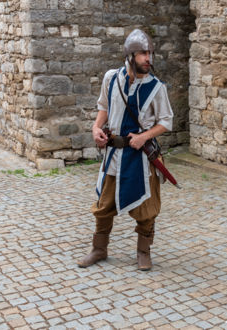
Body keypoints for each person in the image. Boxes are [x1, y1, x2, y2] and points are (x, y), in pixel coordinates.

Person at [78, 29, 173, 271]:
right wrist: (96, 128)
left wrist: (144, 137)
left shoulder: (156, 87)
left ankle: (143, 251)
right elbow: (104, 107)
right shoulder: (111, 78)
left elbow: (166, 121)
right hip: (114, 155)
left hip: (141, 157)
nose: (148, 58)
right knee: (103, 206)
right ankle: (99, 249)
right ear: (130, 55)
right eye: (143, 53)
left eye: (150, 53)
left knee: (147, 209)